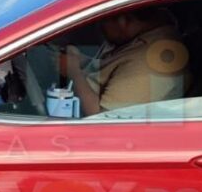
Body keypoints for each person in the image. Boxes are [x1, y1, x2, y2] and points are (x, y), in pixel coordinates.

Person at [61, 7, 190, 116]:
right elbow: (115, 70)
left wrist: (74, 72)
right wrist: (83, 61)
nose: (100, 28)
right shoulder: (144, 39)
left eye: (102, 22)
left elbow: (103, 119)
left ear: (123, 20)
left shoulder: (149, 62)